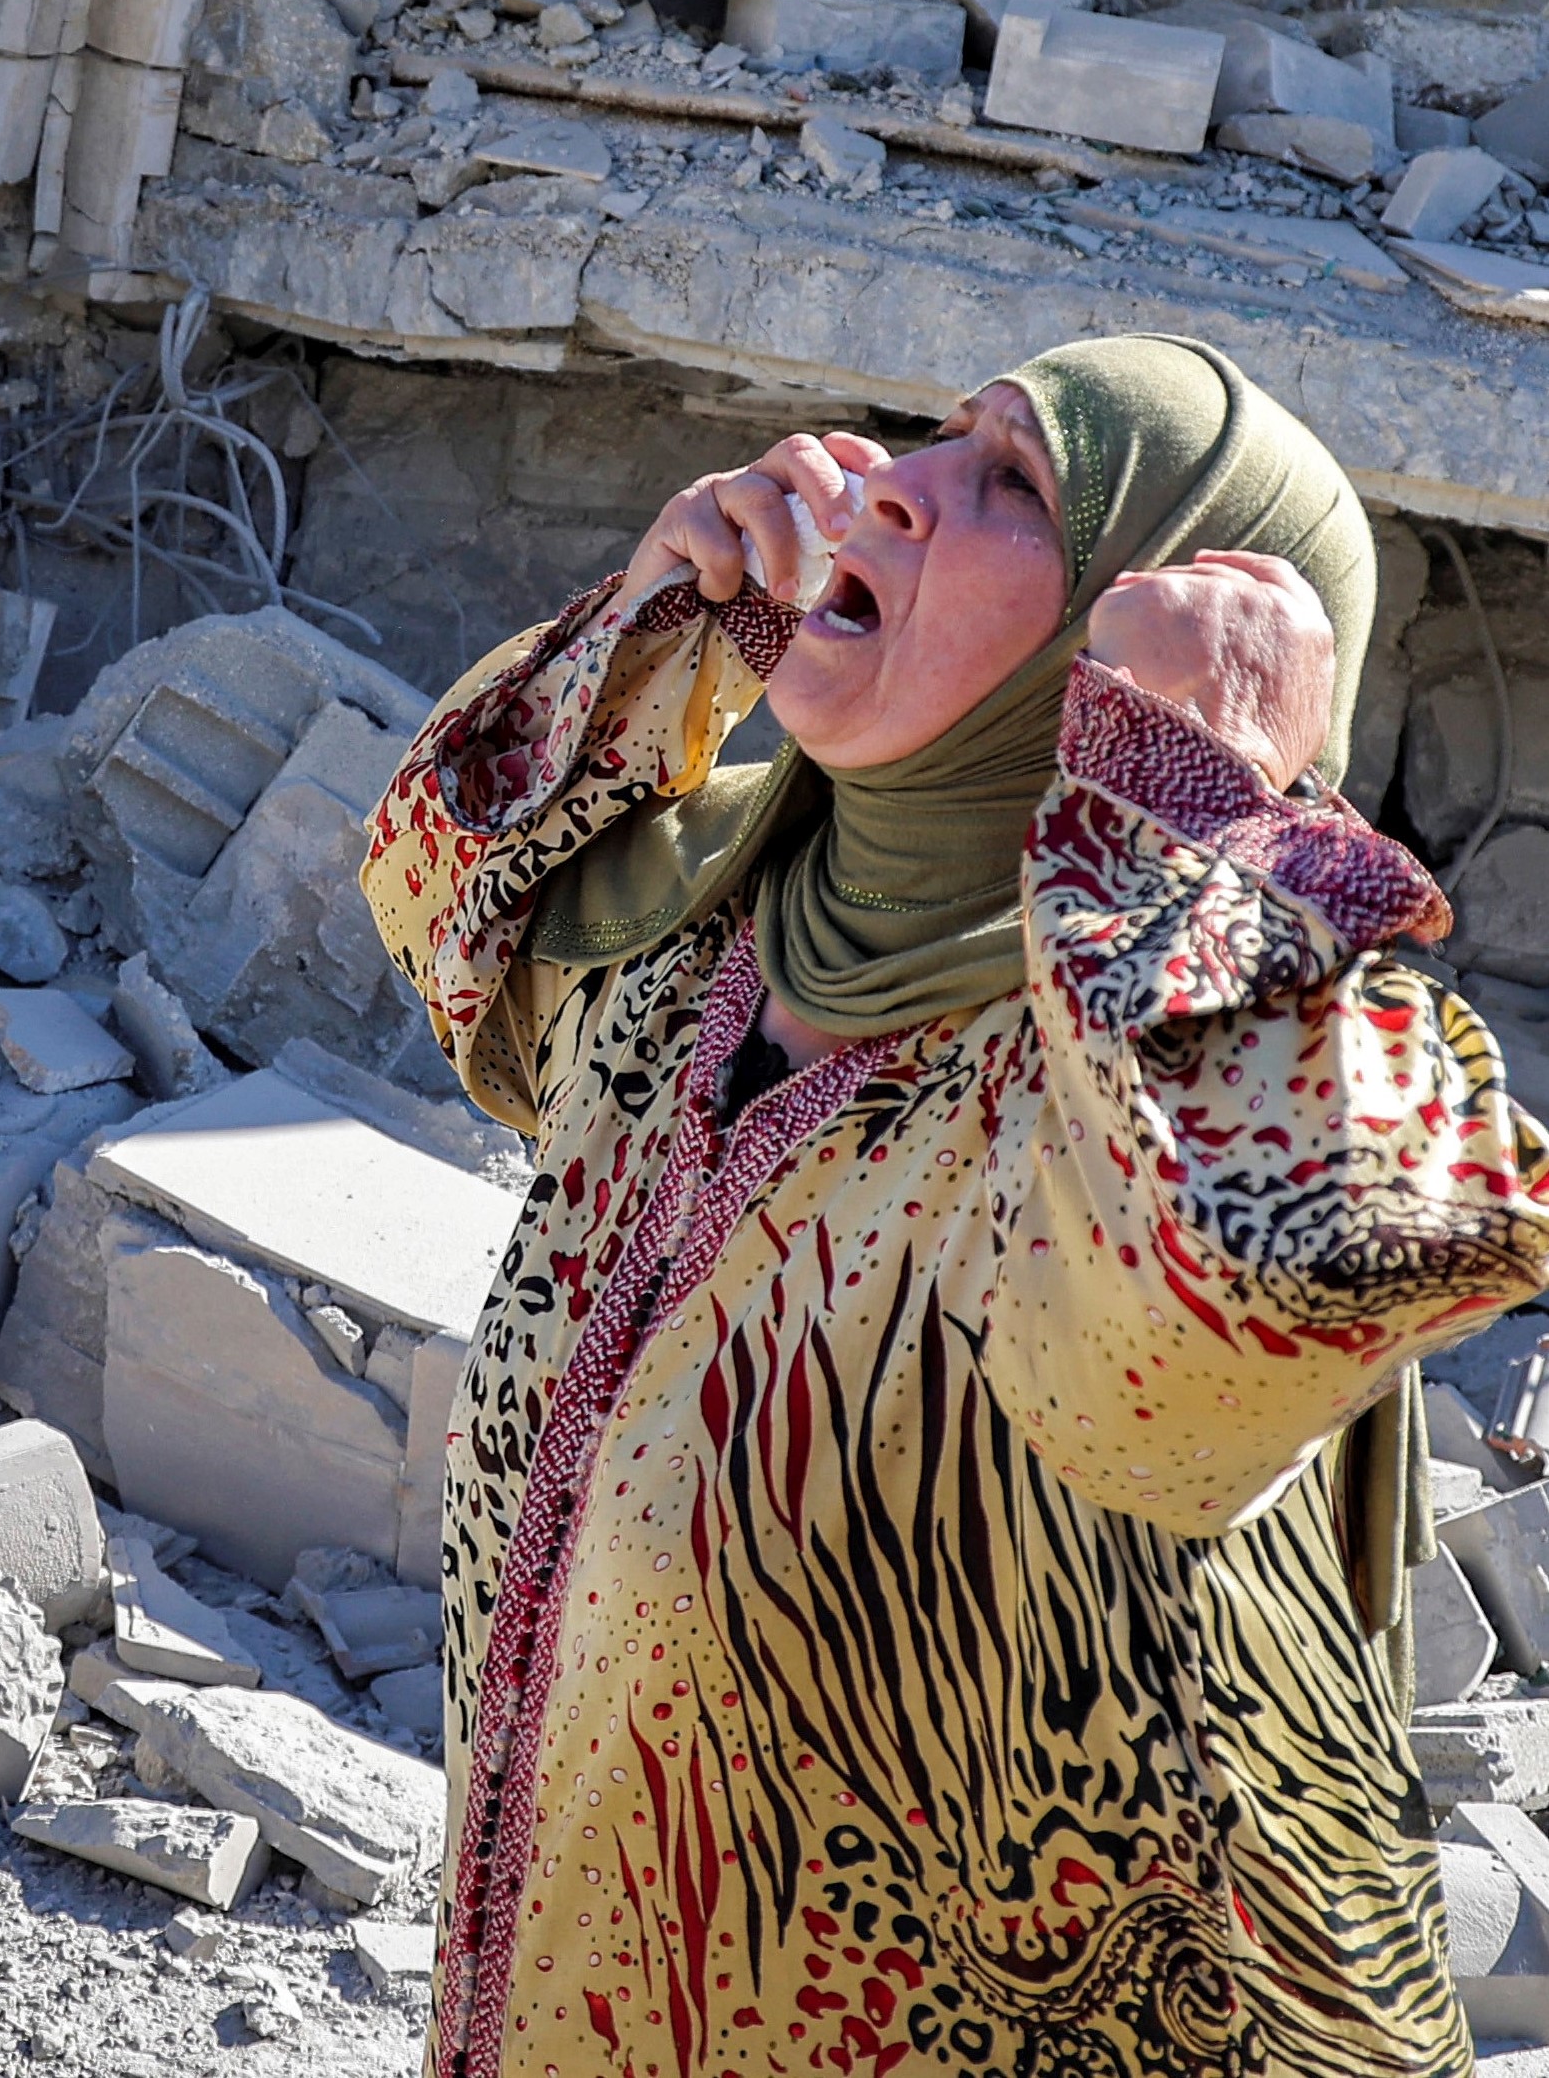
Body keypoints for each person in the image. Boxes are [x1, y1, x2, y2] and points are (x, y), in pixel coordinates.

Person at [358, 334, 1549, 2077]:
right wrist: (662, 630)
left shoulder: (1100, 1113)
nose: (889, 481)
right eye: (942, 433)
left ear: (1123, 654)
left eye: (1013, 487)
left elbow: (1317, 1259)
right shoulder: (706, 949)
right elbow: (436, 893)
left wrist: (1201, 809)